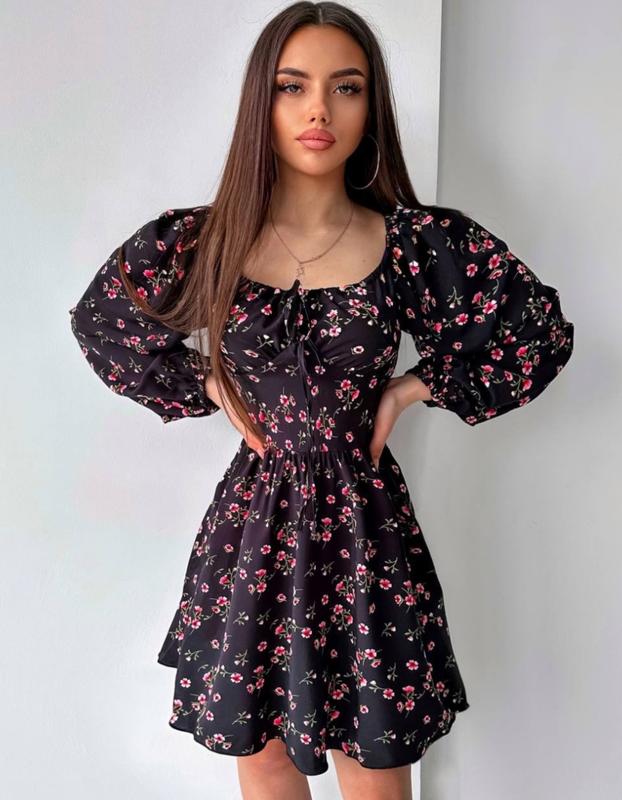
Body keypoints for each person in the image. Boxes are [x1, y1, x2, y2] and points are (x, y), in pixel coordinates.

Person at [67, 3, 574, 799]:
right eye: (292, 86)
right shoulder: (206, 242)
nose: (318, 111)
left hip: (366, 532)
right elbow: (103, 322)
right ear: (261, 103)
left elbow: (535, 331)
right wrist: (208, 384)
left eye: (346, 87)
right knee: (264, 752)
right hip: (254, 531)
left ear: (370, 107)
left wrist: (413, 387)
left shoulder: (414, 244)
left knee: (373, 753)